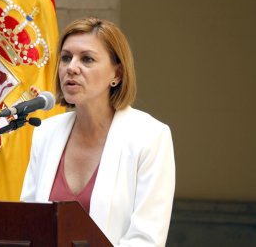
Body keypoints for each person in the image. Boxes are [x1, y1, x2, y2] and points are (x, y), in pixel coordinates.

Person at [20, 17, 175, 246]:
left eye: (87, 59)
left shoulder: (150, 137)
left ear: (117, 74)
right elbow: (27, 224)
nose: (71, 67)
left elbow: (146, 239)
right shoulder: (46, 133)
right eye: (65, 58)